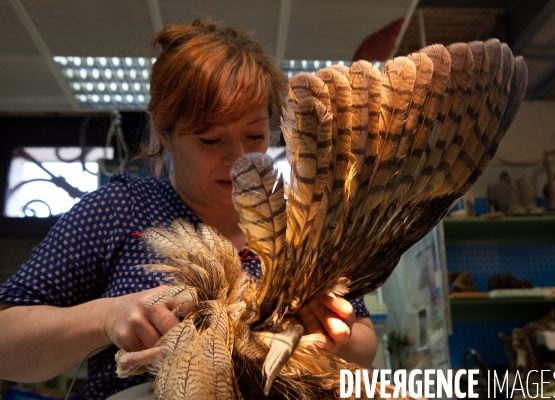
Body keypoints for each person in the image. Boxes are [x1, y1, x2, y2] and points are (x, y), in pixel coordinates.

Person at [0, 20, 378, 399]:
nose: (240, 158)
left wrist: (333, 336)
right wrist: (105, 317)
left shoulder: (305, 224)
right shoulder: (120, 211)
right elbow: (7, 339)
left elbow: (363, 344)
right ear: (165, 133)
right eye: (211, 140)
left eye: (255, 135)